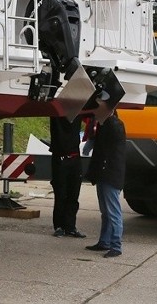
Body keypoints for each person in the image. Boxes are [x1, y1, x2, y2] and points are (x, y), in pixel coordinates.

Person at [84, 111, 126, 258]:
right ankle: (105, 241)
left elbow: (106, 150)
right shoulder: (106, 124)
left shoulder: (112, 125)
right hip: (105, 173)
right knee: (106, 212)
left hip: (110, 173)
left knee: (113, 212)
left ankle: (116, 245)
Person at [49, 116, 86, 238]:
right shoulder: (57, 116)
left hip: (74, 158)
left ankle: (70, 226)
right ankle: (59, 226)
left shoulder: (77, 114)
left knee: (73, 194)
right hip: (60, 158)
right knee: (61, 194)